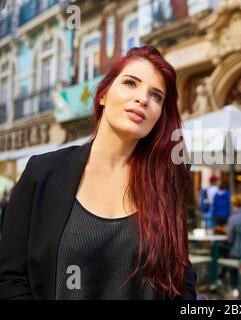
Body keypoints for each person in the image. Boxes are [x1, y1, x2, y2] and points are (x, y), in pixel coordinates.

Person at [0, 46, 196, 300]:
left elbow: (182, 281)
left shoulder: (165, 184)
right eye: (130, 83)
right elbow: (9, 278)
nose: (143, 99)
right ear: (103, 94)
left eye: (156, 96)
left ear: (159, 115)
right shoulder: (42, 172)